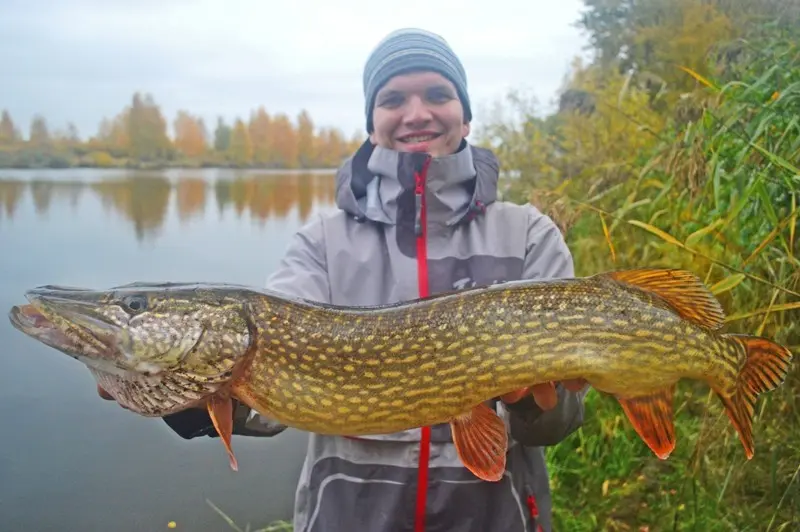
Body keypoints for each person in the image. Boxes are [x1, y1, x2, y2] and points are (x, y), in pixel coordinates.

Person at [100, 27, 588, 532]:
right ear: (372, 123)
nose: (416, 113)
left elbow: (563, 418)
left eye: (438, 94)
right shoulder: (322, 243)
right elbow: (272, 403)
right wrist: (193, 403)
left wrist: (536, 407)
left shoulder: (528, 232)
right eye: (393, 98)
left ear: (465, 117)